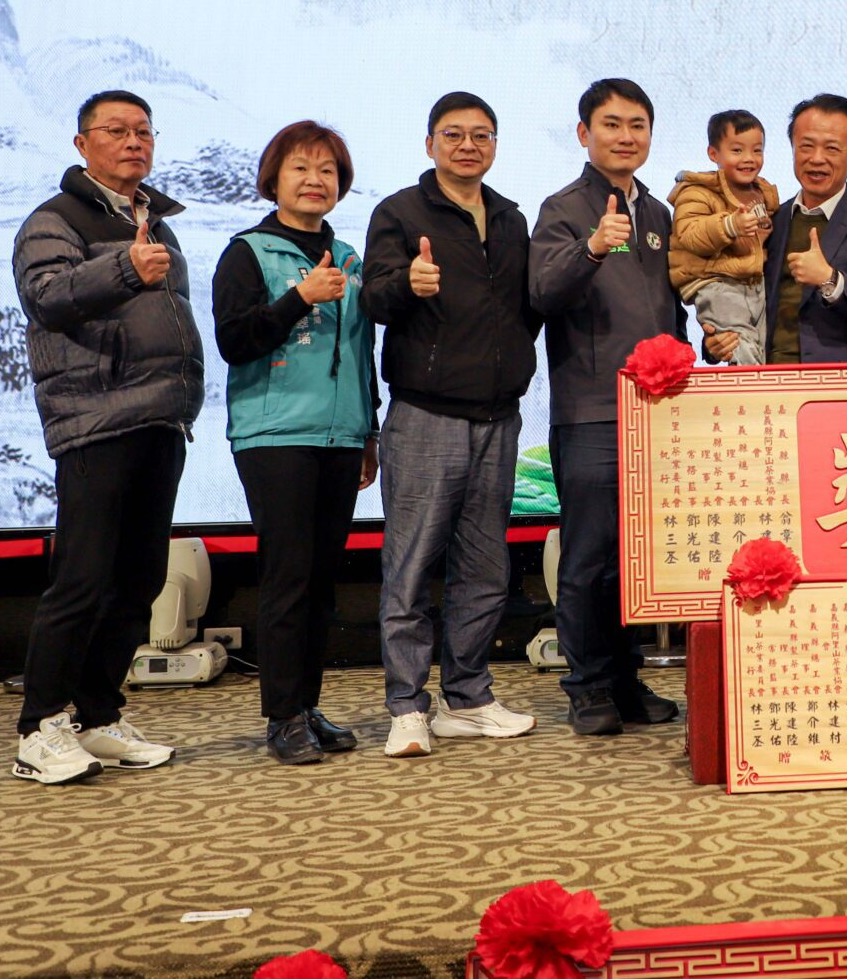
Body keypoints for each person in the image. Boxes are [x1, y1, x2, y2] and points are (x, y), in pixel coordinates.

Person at [9, 90, 204, 784]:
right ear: (82, 143)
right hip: (96, 418)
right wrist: (124, 266)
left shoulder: (155, 221)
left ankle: (97, 715)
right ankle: (38, 727)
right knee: (83, 579)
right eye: (116, 130)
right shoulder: (54, 219)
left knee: (139, 579)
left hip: (160, 417)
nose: (133, 142)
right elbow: (46, 297)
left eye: (143, 131)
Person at [363, 92, 541, 757]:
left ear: (495, 144)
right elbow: (374, 298)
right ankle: (408, 706)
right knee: (410, 568)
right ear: (430, 143)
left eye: (481, 135)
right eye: (454, 134)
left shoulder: (511, 218)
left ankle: (467, 698)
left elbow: (526, 309)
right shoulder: (400, 212)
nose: (469, 146)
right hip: (425, 416)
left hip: (499, 415)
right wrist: (407, 282)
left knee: (485, 568)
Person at [213, 121, 378, 764]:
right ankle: (282, 716)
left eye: (327, 171)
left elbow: (361, 353)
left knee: (322, 581)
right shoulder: (248, 253)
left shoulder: (351, 258)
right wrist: (299, 298)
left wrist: (369, 432)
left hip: (342, 435)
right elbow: (235, 341)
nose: (315, 181)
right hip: (275, 434)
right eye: (301, 168)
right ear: (274, 179)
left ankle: (307, 705)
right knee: (287, 576)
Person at [532, 78, 686, 736]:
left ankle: (624, 678)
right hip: (592, 408)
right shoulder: (563, 208)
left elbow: (670, 307)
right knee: (589, 555)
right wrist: (593, 246)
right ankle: (587, 684)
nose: (626, 136)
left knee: (636, 557)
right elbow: (542, 292)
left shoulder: (659, 214)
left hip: (656, 410)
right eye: (612, 124)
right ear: (583, 133)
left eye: (637, 125)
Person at [751, 93, 847, 366]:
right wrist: (718, 339)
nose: (817, 158)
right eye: (806, 146)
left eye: (832, 148)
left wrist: (830, 279)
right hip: (764, 378)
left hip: (836, 383)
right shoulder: (771, 221)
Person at [668, 110, 780, 364]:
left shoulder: (763, 193)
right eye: (737, 150)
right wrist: (730, 226)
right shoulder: (697, 191)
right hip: (717, 282)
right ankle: (751, 389)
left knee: (763, 347)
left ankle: (761, 384)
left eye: (757, 150)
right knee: (740, 344)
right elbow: (689, 234)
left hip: (754, 284)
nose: (749, 158)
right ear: (713, 154)